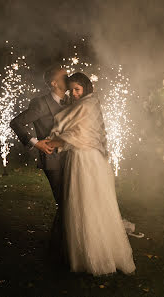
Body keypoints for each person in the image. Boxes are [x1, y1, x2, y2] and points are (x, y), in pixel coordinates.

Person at [47, 72, 136, 276]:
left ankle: (96, 256)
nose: (74, 94)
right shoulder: (88, 103)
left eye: (78, 89)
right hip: (82, 157)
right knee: (81, 202)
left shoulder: (87, 105)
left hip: (86, 160)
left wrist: (52, 141)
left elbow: (75, 131)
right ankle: (82, 252)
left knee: (89, 201)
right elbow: (76, 130)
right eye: (72, 90)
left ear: (85, 87)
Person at [10, 64, 71, 267]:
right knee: (65, 203)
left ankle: (64, 247)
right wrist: (36, 142)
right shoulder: (41, 103)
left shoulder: (71, 99)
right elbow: (16, 123)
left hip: (73, 159)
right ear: (54, 83)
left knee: (72, 203)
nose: (68, 78)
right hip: (53, 160)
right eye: (64, 76)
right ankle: (59, 250)